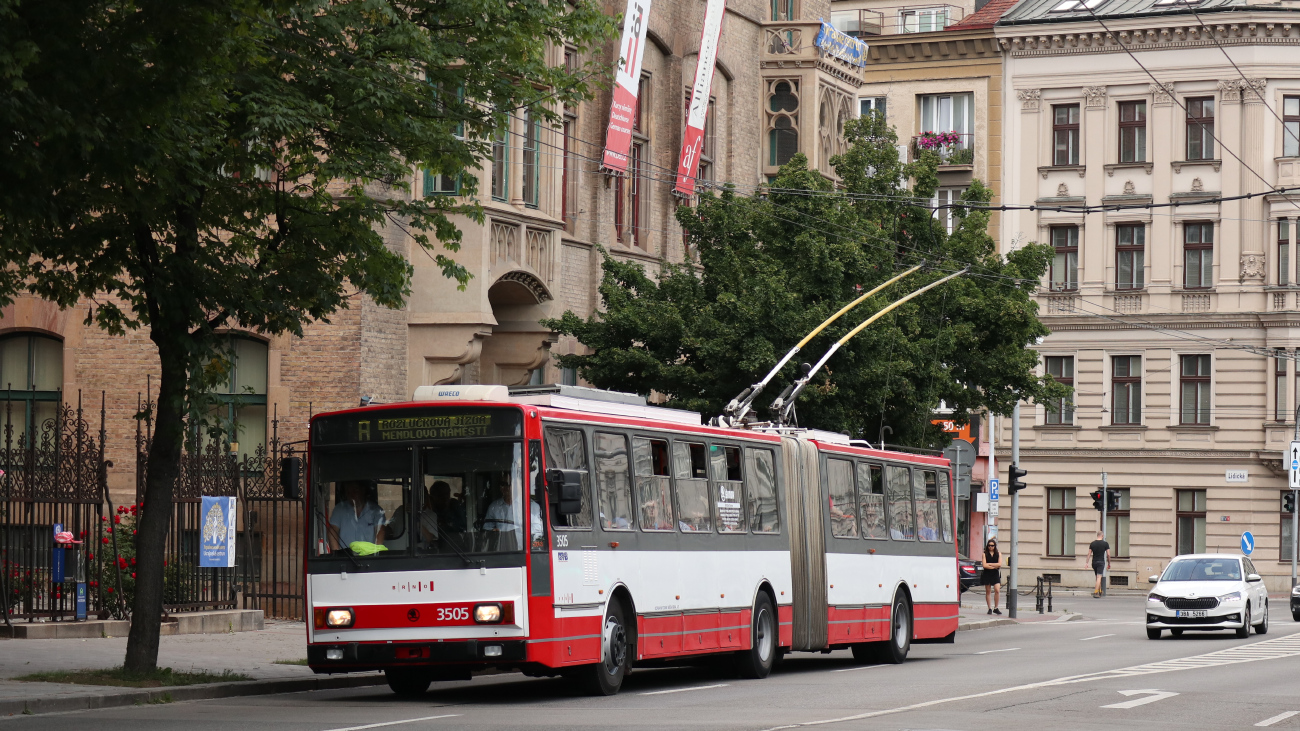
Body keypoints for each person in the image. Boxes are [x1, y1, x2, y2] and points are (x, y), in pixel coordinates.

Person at [327, 480, 386, 550]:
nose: (351, 495)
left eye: (355, 490)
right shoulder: (339, 509)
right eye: (348, 492)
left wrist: (376, 552)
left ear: (363, 490)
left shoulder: (376, 510)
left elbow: (380, 530)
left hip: (369, 556)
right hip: (345, 557)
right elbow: (333, 531)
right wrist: (336, 554)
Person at [1087, 531, 1111, 598]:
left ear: (1097, 535)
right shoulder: (1105, 544)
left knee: (1097, 577)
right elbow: (1108, 554)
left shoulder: (1092, 543)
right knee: (1099, 577)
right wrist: (1109, 563)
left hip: (1094, 562)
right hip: (1101, 562)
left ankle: (1100, 591)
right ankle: (1095, 592)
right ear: (1102, 536)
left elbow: (1089, 554)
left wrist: (1086, 563)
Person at [981, 537, 1003, 615]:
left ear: (995, 546)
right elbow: (984, 565)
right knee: (988, 591)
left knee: (997, 590)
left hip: (995, 573)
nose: (991, 547)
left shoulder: (998, 553)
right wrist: (994, 566)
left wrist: (990, 564)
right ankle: (989, 608)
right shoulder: (984, 554)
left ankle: (996, 607)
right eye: (989, 545)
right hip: (987, 573)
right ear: (987, 546)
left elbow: (1000, 564)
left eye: (992, 545)